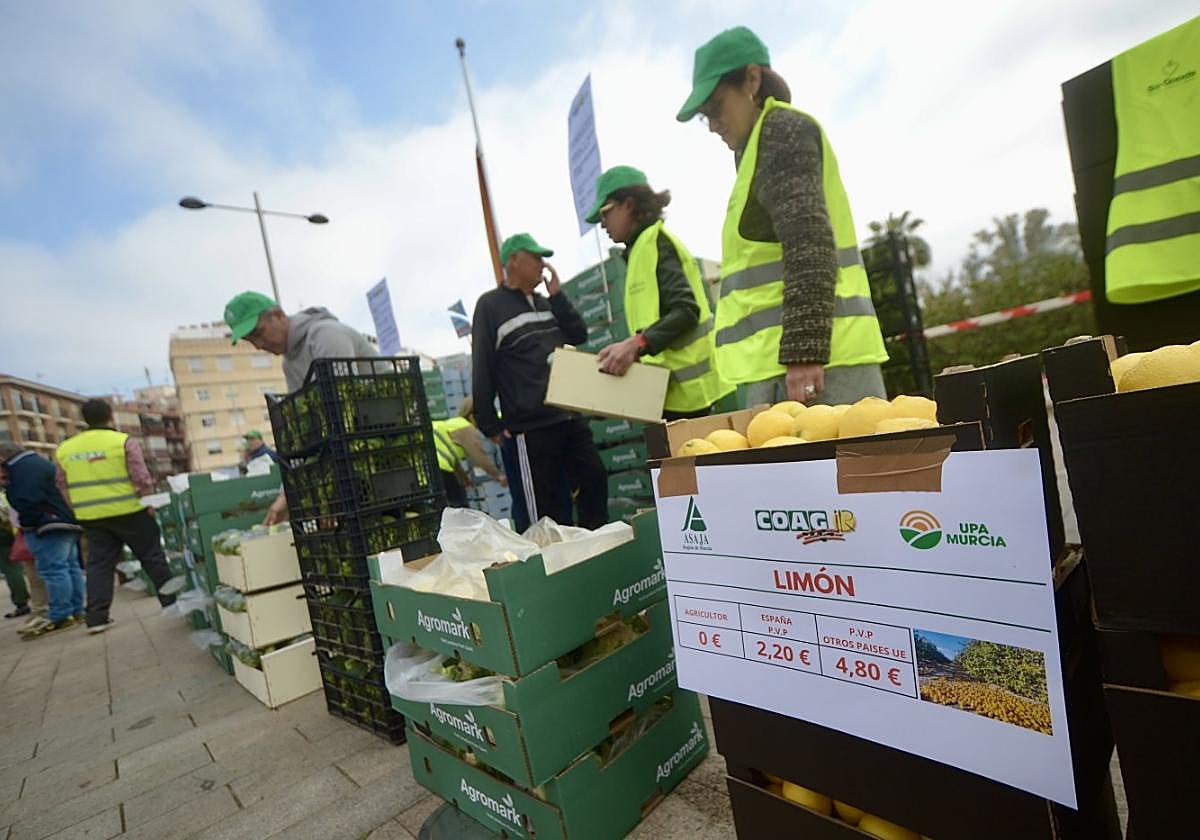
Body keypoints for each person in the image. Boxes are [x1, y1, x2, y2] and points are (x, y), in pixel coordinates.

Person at [677, 26, 889, 406]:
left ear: (752, 80)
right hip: (794, 368)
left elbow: (809, 243)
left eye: (715, 107)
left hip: (818, 370)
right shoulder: (757, 147)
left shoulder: (780, 133)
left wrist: (804, 352)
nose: (711, 124)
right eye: (703, 116)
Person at [471, 233, 608, 529]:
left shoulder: (547, 303)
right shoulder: (490, 305)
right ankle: (551, 570)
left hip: (569, 416)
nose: (542, 264)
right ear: (513, 261)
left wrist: (558, 297)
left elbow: (579, 335)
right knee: (544, 516)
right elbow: (482, 364)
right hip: (529, 429)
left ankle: (594, 552)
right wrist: (489, 424)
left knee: (594, 477)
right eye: (536, 257)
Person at [589, 165, 733, 420]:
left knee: (683, 461)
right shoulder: (641, 250)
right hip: (669, 394)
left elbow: (687, 310)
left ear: (629, 205)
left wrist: (637, 344)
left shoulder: (656, 244)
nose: (602, 225)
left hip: (689, 398)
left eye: (605, 213)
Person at [223, 290, 378, 524]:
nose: (258, 345)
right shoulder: (290, 364)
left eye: (258, 334)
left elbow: (343, 414)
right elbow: (306, 433)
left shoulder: (325, 335)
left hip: (380, 445)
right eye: (250, 340)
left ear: (277, 315)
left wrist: (332, 494)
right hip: (355, 457)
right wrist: (288, 494)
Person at [55, 399, 185, 634]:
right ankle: (171, 604)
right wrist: (148, 501)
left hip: (92, 516)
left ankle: (96, 618)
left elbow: (62, 484)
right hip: (130, 511)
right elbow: (141, 476)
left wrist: (77, 509)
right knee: (152, 557)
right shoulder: (122, 441)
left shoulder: (66, 449)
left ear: (84, 420)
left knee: (99, 565)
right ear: (110, 417)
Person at [0, 442, 85, 638]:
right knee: (70, 568)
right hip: (64, 521)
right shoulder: (40, 463)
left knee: (53, 571)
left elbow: (28, 499)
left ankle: (61, 616)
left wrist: (28, 523)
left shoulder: (21, 469)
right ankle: (76, 610)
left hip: (46, 525)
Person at [432, 398, 507, 508]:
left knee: (453, 504)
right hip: (441, 468)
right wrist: (498, 475)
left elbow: (452, 460)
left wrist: (464, 479)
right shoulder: (465, 428)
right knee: (460, 506)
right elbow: (478, 456)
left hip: (437, 467)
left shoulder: (454, 424)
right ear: (472, 416)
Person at [0, 489, 31, 619]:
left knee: (10, 568)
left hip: (3, 529)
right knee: (14, 566)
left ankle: (21, 603)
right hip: (9, 527)